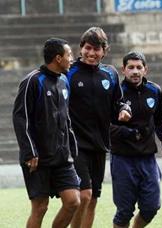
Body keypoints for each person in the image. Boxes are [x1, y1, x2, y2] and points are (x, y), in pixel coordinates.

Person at [66, 27, 131, 228]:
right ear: (81, 48)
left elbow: (119, 101)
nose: (91, 53)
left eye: (97, 49)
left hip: (100, 144)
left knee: (93, 198)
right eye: (88, 48)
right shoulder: (69, 72)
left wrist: (124, 109)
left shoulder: (110, 74)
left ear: (105, 51)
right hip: (75, 144)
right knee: (83, 196)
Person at [12, 38, 80, 228]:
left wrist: (71, 147)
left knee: (73, 201)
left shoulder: (65, 81)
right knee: (40, 207)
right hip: (37, 159)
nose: (72, 59)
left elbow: (66, 118)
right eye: (69, 55)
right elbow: (20, 118)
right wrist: (30, 151)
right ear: (58, 58)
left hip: (62, 157)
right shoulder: (32, 81)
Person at [110, 51, 162, 228]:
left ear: (146, 70)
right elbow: (105, 127)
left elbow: (159, 120)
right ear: (123, 70)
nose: (135, 71)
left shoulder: (154, 91)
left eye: (139, 67)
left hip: (147, 159)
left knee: (152, 206)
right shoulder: (115, 93)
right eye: (131, 67)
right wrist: (128, 133)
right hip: (123, 159)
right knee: (124, 211)